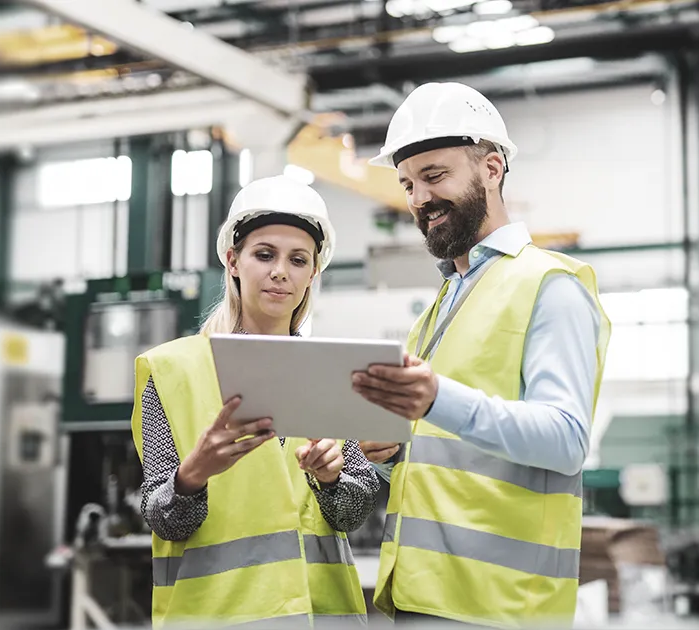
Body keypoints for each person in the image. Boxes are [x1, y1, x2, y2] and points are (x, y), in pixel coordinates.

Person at [352, 82, 612, 627]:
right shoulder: (441, 306)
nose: (419, 199)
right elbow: (457, 447)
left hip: (502, 606)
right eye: (407, 184)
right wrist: (396, 450)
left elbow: (565, 440)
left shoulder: (551, 284)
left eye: (435, 175)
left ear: (491, 169)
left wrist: (434, 400)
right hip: (423, 596)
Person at [131, 175, 379, 628]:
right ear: (233, 261)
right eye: (264, 255)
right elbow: (165, 521)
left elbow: (354, 512)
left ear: (312, 273)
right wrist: (191, 476)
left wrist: (332, 479)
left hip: (320, 616)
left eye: (297, 259)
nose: (280, 271)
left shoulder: (334, 371)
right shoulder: (174, 372)